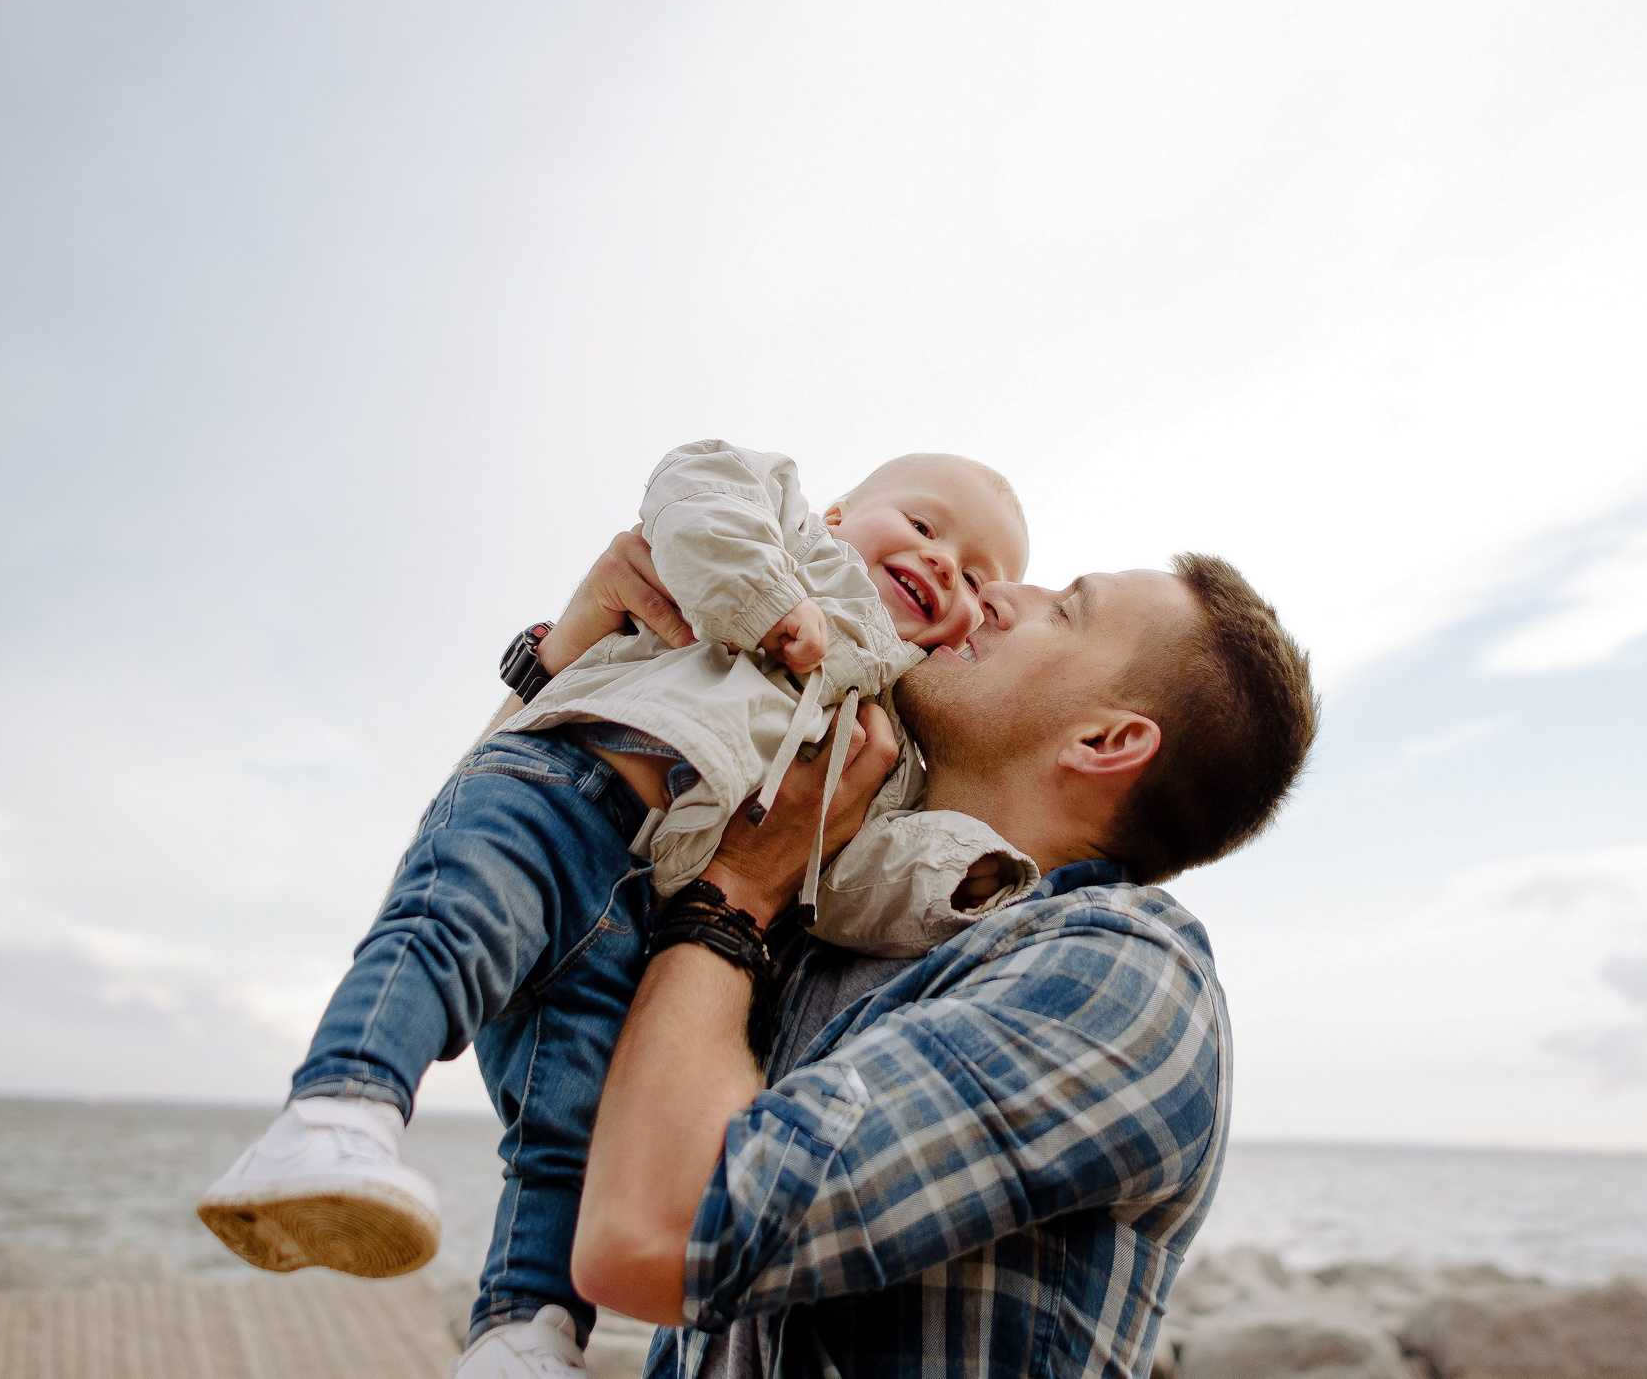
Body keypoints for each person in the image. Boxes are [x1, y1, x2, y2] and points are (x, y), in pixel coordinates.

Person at [195, 441, 1031, 1377]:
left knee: (573, 1124)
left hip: (635, 913)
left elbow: (849, 865)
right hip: (559, 785)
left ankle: (526, 1331)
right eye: (923, 525)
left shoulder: (879, 733)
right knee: (447, 932)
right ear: (835, 513)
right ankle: (335, 1116)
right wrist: (768, 599)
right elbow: (696, 491)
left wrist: (966, 876)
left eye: (975, 579)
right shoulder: (789, 538)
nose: (942, 564)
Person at [562, 536, 1320, 1379]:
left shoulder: (1125, 975)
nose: (997, 592)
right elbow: (507, 957)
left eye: (1065, 608)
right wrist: (564, 654)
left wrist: (733, 893)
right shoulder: (831, 903)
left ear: (1106, 741)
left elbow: (655, 1236)